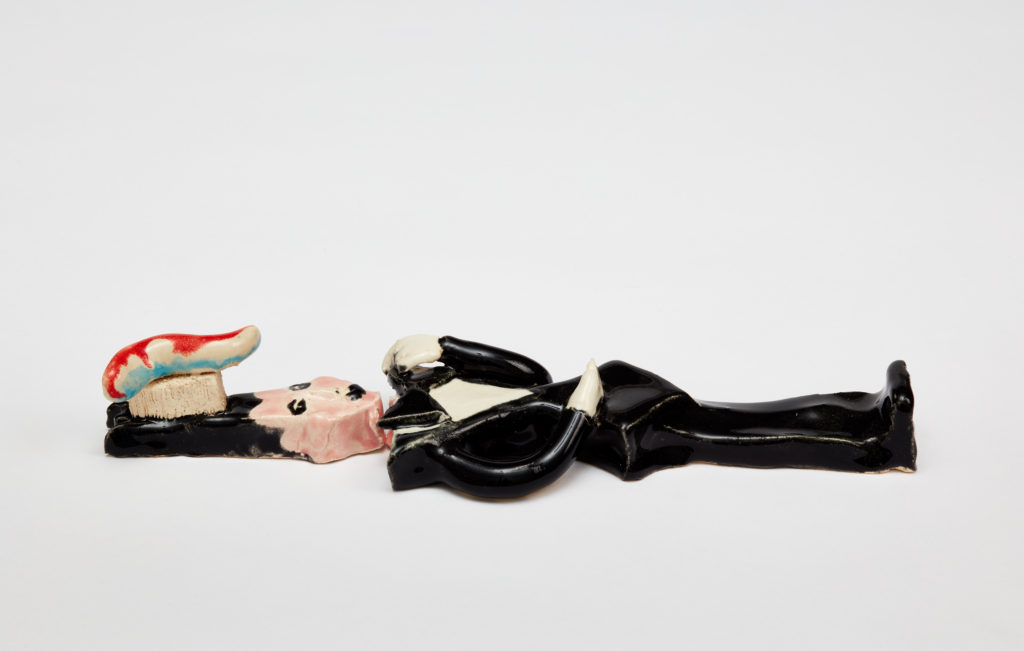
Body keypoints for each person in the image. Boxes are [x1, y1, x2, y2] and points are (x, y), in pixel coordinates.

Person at [379, 335, 916, 499]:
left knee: (737, 411)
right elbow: (525, 472)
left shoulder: (425, 391)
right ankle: (874, 442)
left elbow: (530, 373)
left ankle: (865, 409)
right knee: (719, 435)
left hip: (617, 389)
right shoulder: (424, 451)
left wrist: (447, 348)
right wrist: (579, 414)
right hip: (615, 429)